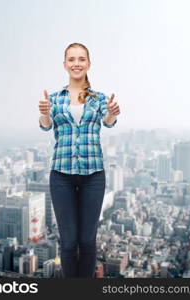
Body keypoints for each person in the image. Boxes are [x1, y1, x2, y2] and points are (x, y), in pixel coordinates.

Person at [38, 42, 120, 278]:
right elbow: (45, 127)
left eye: (81, 59)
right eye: (71, 59)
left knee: (87, 240)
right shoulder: (53, 98)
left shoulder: (100, 98)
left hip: (93, 175)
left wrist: (113, 113)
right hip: (61, 175)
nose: (76, 63)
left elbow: (109, 121)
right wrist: (44, 113)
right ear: (65, 65)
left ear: (88, 64)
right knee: (68, 240)